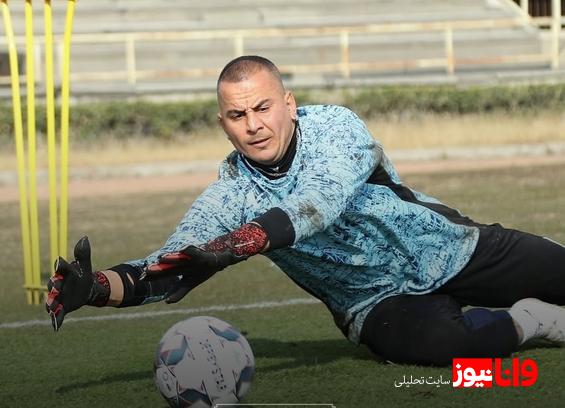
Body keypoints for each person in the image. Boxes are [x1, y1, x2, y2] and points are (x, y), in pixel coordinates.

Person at [45, 55, 565, 366]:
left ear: (288, 103)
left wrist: (235, 245)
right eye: (237, 115)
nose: (253, 124)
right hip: (374, 303)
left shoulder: (335, 127)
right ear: (224, 125)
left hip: (452, 247)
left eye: (262, 107)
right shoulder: (230, 194)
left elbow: (317, 205)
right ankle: (532, 321)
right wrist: (98, 288)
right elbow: (170, 263)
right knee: (454, 353)